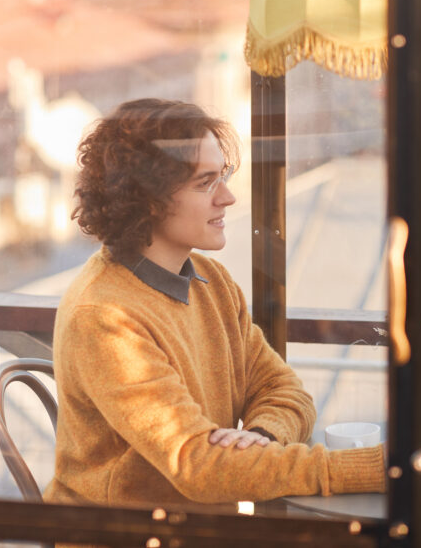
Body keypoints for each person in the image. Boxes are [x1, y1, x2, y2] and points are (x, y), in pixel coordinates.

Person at [45, 98, 385, 510]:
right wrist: (376, 468)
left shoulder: (212, 281)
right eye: (205, 183)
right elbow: (199, 466)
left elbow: (286, 391)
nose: (227, 197)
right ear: (147, 198)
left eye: (222, 176)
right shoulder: (105, 317)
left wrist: (258, 438)